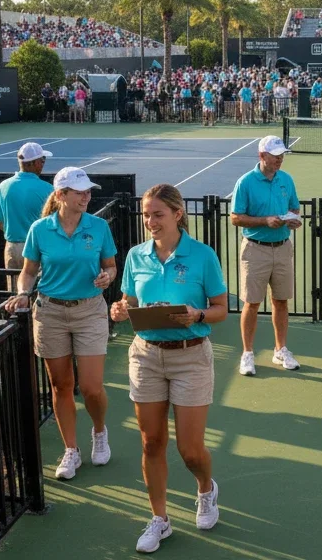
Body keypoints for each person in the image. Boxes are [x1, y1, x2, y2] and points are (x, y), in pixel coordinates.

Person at [111, 184, 228, 553]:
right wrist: (120, 310)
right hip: (146, 356)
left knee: (190, 450)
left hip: (191, 357)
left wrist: (197, 314)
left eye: (157, 214)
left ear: (178, 214)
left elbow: (221, 308)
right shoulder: (136, 256)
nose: (150, 221)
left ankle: (206, 489)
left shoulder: (203, 255)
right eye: (146, 214)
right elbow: (129, 301)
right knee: (151, 442)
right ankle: (159, 519)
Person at [4, 167, 117, 480]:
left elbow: (111, 266)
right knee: (60, 385)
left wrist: (107, 277)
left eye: (88, 191)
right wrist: (23, 293)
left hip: (90, 311)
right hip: (50, 313)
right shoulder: (40, 229)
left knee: (91, 388)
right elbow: (28, 272)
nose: (86, 196)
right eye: (79, 192)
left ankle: (99, 431)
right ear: (61, 195)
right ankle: (71, 449)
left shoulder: (98, 226)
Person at [230, 136, 304, 375]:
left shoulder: (286, 179)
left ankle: (280, 350)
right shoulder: (245, 182)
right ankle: (247, 353)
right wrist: (265, 221)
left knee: (281, 301)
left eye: (282, 155)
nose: (280, 159)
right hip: (255, 249)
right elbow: (235, 217)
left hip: (282, 247)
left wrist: (292, 219)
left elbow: (294, 207)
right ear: (262, 156)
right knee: (252, 303)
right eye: (275, 156)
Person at [0, 142, 54, 289]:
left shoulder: (3, 186)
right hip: (38, 249)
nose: (43, 163)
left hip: (12, 248)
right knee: (38, 293)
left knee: (15, 296)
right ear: (34, 163)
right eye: (42, 160)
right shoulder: (48, 189)